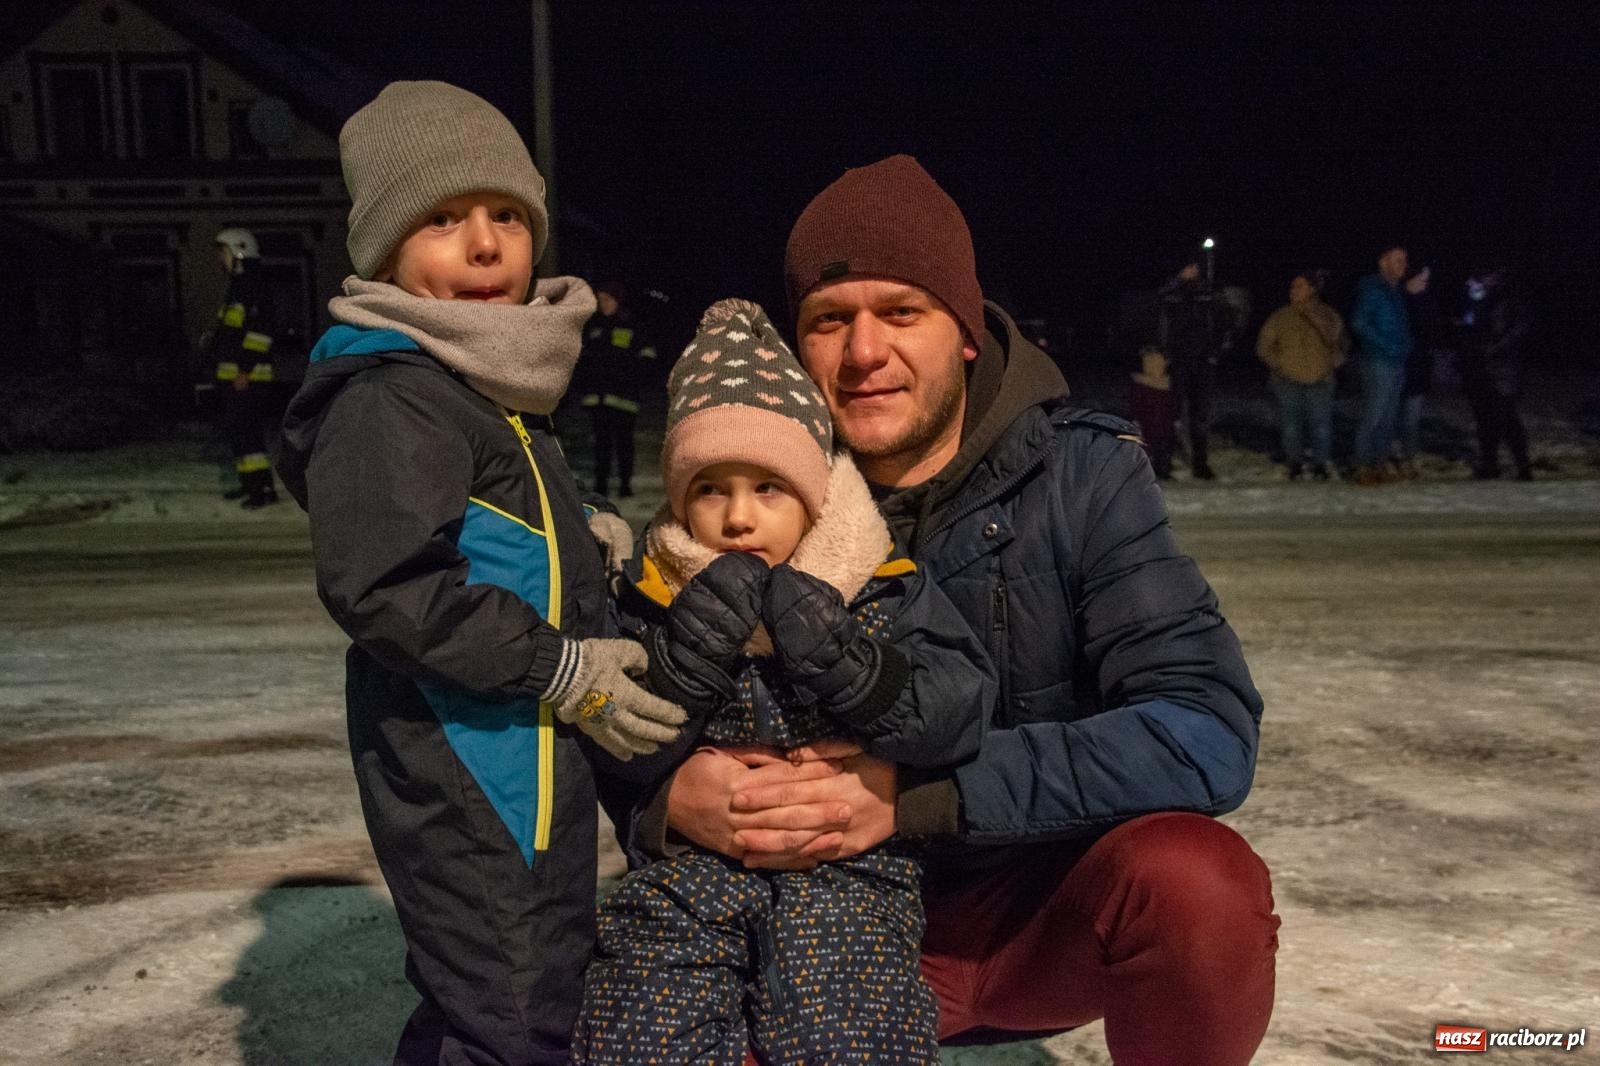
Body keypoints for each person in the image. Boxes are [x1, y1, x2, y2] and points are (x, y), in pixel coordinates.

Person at [628, 155, 1278, 1065]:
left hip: (1033, 917)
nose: (863, 354)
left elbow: (1204, 731)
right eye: (828, 321)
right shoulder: (734, 505)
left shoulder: (1083, 481)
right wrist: (664, 800)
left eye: (901, 312)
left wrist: (923, 798)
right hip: (801, 930)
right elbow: (592, 719)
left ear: (965, 331)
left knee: (1197, 888)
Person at [273, 81, 687, 1066]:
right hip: (466, 762)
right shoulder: (394, 394)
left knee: (508, 997)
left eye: (506, 213)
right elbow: (389, 584)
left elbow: (486, 531)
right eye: (443, 217)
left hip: (517, 759)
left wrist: (583, 546)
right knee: (516, 1011)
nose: (486, 242)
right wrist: (557, 666)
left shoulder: (476, 383)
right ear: (381, 249)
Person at [573, 298, 993, 1064]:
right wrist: (685, 662)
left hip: (851, 877)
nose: (738, 517)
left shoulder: (879, 584)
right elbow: (609, 744)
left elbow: (958, 705)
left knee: (852, 1032)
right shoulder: (651, 594)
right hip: (691, 874)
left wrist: (854, 668)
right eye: (710, 489)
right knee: (641, 1021)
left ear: (813, 492)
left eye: (768, 487)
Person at [209, 226, 279, 508]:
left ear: (238, 252)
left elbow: (260, 334)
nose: (219, 259)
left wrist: (244, 370)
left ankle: (258, 492)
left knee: (245, 434)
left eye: (222, 253)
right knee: (244, 434)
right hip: (238, 376)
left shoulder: (251, 287)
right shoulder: (240, 287)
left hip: (247, 377)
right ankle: (258, 486)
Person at [1255, 271, 1345, 480]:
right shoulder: (1280, 316)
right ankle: (1294, 463)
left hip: (1320, 379)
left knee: (1321, 425)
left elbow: (1340, 344)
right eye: (1293, 286)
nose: (1294, 290)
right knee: (1291, 426)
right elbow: (1264, 346)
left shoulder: (1328, 315)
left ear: (1312, 289)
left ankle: (1320, 464)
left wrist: (1331, 365)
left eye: (1300, 286)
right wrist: (1279, 365)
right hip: (1288, 380)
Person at [577, 281, 656, 497]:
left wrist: (632, 378)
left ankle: (624, 485)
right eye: (600, 299)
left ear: (618, 301)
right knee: (601, 444)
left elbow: (647, 357)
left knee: (624, 443)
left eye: (606, 299)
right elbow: (583, 360)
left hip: (624, 398)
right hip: (598, 398)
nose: (602, 304)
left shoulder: (632, 326)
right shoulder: (593, 327)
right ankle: (601, 485)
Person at [1156, 254, 1229, 479]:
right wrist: (1162, 355)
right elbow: (1158, 325)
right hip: (1175, 363)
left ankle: (1200, 463)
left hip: (1202, 363)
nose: (1191, 270)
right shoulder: (1169, 295)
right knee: (1171, 415)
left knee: (1200, 417)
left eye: (1193, 266)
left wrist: (1214, 352)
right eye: (1187, 266)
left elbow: (1224, 322)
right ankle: (1164, 462)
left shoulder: (1208, 294)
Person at [1458, 265, 1534, 480]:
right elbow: (1473, 325)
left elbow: (1521, 325)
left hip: (1501, 369)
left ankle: (1523, 466)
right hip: (1478, 367)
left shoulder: (1509, 295)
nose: (1474, 284)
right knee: (1484, 419)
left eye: (1479, 279)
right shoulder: (1477, 299)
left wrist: (1495, 347)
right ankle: (1490, 464)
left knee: (1507, 418)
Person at [1348, 242, 1414, 485]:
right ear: (1383, 262)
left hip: (1396, 360)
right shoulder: (1373, 289)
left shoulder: (1394, 290)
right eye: (1398, 260)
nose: (1403, 266)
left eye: (1405, 261)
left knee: (1388, 417)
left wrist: (1405, 346)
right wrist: (1386, 346)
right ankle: (1362, 465)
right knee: (1373, 415)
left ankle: (1378, 463)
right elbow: (1359, 323)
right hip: (1378, 361)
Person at [1397, 265, 1439, 479]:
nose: (1423, 284)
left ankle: (1410, 457)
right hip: (1396, 367)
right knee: (1388, 417)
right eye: (1419, 279)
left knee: (1411, 418)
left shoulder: (1427, 303)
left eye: (1425, 281)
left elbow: (1431, 332)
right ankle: (1384, 457)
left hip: (1417, 369)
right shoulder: (1397, 301)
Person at [1128, 344, 1178, 479]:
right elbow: (1135, 404)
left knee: (1165, 447)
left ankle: (1163, 469)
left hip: (1164, 424)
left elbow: (1172, 404)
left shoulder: (1166, 384)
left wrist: (1175, 419)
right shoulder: (1141, 385)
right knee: (1149, 448)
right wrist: (1135, 419)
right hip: (1148, 424)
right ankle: (1150, 471)